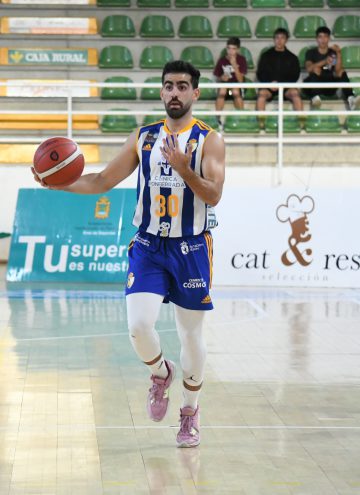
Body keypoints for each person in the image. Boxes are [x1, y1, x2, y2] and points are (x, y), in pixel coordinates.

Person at [32, 60, 225, 448]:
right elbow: (103, 180)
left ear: (195, 94)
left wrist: (186, 171)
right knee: (138, 326)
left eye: (183, 86)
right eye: (168, 85)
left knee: (191, 337)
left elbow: (214, 195)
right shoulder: (144, 137)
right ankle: (160, 373)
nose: (175, 92)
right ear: (161, 92)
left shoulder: (210, 140)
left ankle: (190, 412)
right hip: (149, 245)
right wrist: (59, 185)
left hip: (191, 247)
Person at [304, 26, 360, 110]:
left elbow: (338, 71)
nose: (323, 40)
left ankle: (351, 98)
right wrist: (324, 62)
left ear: (329, 38)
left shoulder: (333, 52)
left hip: (330, 84)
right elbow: (309, 68)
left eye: (325, 36)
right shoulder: (310, 52)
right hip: (315, 85)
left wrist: (339, 53)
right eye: (320, 37)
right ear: (316, 39)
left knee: (341, 71)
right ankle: (315, 98)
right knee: (315, 69)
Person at [256, 28, 303, 123]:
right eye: (277, 38)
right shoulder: (266, 55)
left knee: (295, 94)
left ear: (286, 40)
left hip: (286, 88)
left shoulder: (292, 57)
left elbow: (295, 75)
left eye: (282, 38)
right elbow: (260, 73)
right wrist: (270, 83)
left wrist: (281, 84)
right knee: (261, 95)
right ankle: (260, 122)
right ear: (274, 39)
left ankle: (301, 122)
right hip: (269, 87)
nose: (279, 40)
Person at [213, 37, 248, 123]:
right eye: (229, 48)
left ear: (238, 49)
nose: (231, 51)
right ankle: (217, 118)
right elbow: (218, 76)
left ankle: (241, 118)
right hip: (225, 85)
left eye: (233, 49)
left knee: (235, 91)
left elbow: (240, 80)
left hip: (237, 85)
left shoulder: (241, 60)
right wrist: (222, 77)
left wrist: (234, 65)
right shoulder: (222, 60)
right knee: (222, 91)